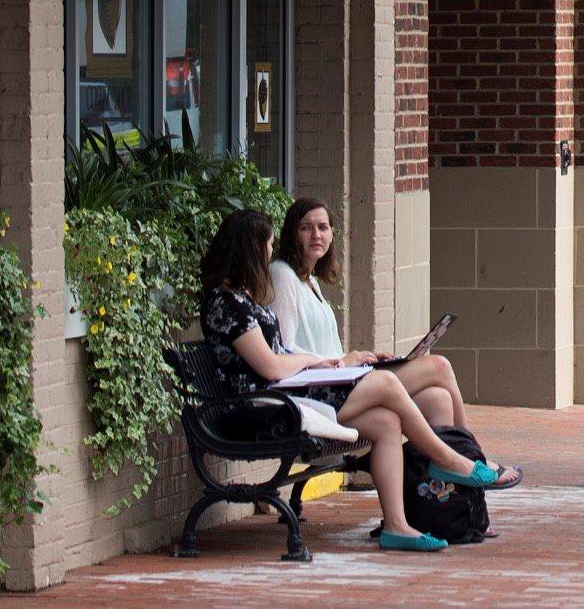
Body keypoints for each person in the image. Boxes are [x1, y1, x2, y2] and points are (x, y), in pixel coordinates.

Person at [197, 209, 521, 553]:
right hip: (264, 406)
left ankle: (397, 526)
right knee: (386, 385)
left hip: (284, 396)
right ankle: (448, 459)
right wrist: (317, 361)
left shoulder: (242, 300)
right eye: (267, 245)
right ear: (251, 249)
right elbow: (271, 367)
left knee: (386, 421)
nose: (268, 254)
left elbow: (280, 355)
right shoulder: (225, 303)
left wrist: (325, 361)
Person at [274, 197, 470, 438]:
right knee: (439, 366)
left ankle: (433, 475)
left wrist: (364, 360)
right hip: (318, 388)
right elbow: (283, 348)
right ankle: (470, 454)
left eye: (323, 228)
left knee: (438, 399)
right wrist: (345, 361)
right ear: (292, 234)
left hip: (339, 377)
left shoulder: (310, 281)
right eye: (306, 228)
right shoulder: (282, 274)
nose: (316, 235)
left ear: (332, 235)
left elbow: (323, 348)